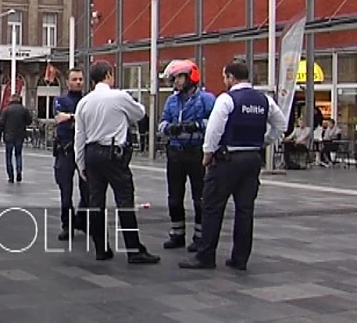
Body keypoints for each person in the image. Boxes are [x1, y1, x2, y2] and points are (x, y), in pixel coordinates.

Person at [179, 62, 286, 270]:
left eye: (224, 77)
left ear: (230, 77)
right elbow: (281, 125)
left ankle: (205, 256)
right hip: (252, 158)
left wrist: (207, 154)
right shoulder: (265, 100)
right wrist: (264, 141)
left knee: (212, 207)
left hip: (227, 160)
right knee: (245, 210)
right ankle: (240, 258)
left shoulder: (227, 99)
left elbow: (214, 129)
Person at [75, 61, 160, 264]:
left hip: (92, 153)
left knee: (96, 202)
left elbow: (79, 136)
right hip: (114, 154)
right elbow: (139, 113)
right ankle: (133, 249)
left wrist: (80, 165)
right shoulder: (119, 96)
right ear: (109, 75)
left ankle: (101, 248)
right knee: (124, 201)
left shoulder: (84, 103)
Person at [158, 59, 216, 252]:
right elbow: (162, 123)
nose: (175, 82)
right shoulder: (172, 101)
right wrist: (169, 128)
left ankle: (200, 236)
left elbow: (217, 123)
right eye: (174, 78)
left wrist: (198, 125)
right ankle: (177, 234)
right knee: (174, 197)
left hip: (196, 153)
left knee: (200, 198)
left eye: (178, 77)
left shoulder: (206, 99)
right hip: (175, 153)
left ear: (191, 76)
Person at [53, 68, 90, 241]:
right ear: (67, 82)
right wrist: (77, 118)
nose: (78, 82)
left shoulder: (88, 100)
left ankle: (82, 221)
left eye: (81, 79)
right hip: (66, 150)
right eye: (74, 79)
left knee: (87, 190)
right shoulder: (61, 100)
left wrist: (71, 118)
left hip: (84, 150)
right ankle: (67, 225)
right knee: (65, 190)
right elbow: (60, 117)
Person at [0, 93, 32, 183]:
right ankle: (19, 171)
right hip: (20, 135)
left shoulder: (6, 110)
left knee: (8, 156)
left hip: (9, 135)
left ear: (11, 99)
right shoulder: (24, 110)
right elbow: (29, 121)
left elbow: (2, 123)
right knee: (18, 154)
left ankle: (10, 176)